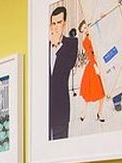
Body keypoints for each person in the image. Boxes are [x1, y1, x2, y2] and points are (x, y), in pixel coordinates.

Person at [49, 6, 79, 140]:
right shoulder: (44, 47)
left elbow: (68, 66)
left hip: (60, 107)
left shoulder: (71, 43)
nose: (56, 27)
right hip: (44, 110)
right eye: (53, 23)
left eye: (59, 22)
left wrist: (57, 46)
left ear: (64, 23)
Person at [78, 20, 106, 123]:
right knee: (88, 92)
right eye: (83, 30)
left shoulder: (97, 34)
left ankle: (100, 112)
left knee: (102, 91)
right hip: (93, 66)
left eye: (85, 27)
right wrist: (95, 66)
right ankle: (83, 112)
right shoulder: (85, 41)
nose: (85, 30)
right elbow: (90, 55)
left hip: (102, 63)